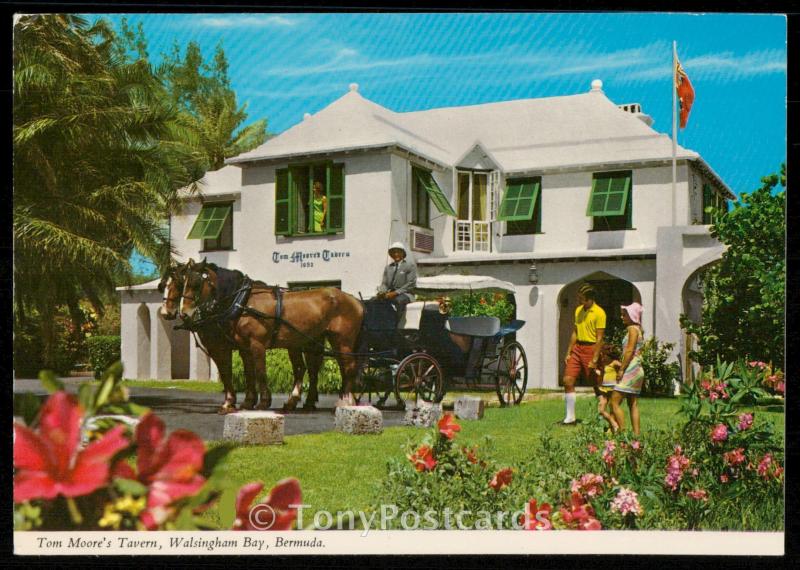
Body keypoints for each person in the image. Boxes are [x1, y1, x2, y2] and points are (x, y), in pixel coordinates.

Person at [559, 283, 606, 426]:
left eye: (582, 298)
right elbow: (575, 332)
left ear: (590, 298)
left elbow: (599, 339)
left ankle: (603, 417)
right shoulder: (578, 310)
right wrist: (569, 352)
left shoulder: (599, 313)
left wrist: (595, 358)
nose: (579, 301)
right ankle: (570, 418)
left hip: (592, 348)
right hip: (578, 348)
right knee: (568, 380)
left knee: (597, 385)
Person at [610, 302, 645, 436]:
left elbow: (629, 351)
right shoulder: (638, 330)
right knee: (633, 403)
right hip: (638, 369)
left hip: (630, 369)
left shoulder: (632, 329)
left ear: (632, 316)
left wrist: (621, 369)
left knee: (614, 401)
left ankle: (622, 434)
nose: (621, 317)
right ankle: (636, 436)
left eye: (624, 314)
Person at [376, 242, 416, 310]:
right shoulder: (388, 268)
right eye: (393, 252)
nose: (396, 254)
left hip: (405, 294)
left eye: (398, 252)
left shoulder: (409, 266)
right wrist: (381, 291)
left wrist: (395, 293)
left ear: (403, 253)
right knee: (374, 301)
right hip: (389, 294)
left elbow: (410, 284)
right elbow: (385, 284)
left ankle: (396, 321)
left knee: (397, 301)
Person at [595, 343, 622, 432]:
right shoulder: (604, 364)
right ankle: (613, 423)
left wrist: (620, 375)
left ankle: (612, 429)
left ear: (609, 355)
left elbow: (622, 368)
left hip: (613, 390)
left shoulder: (614, 363)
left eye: (603, 356)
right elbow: (603, 375)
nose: (602, 358)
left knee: (612, 410)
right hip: (604, 390)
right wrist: (595, 370)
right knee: (601, 410)